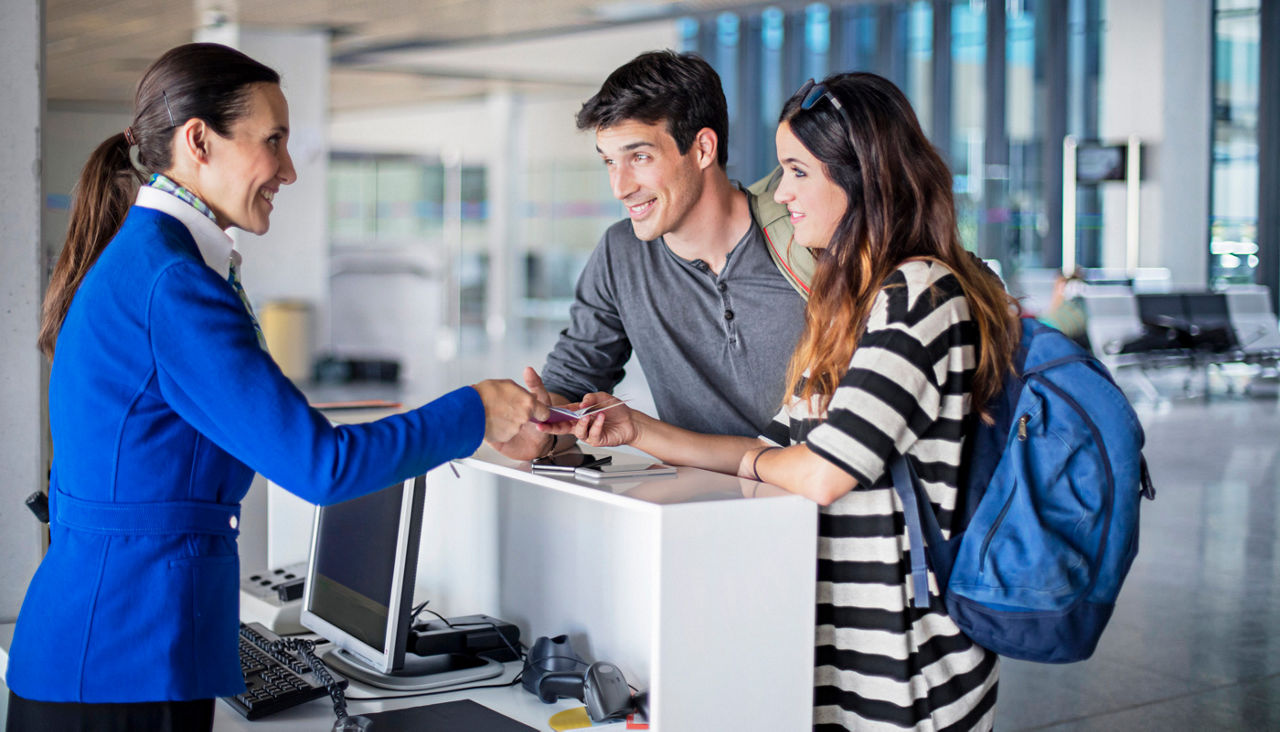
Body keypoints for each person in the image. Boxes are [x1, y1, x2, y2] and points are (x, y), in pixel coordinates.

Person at [6, 43, 545, 732]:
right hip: (122, 657)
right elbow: (319, 465)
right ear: (198, 140)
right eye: (274, 141)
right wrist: (476, 410)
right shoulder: (174, 285)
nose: (289, 170)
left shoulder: (151, 263)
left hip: (110, 644)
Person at [543, 73, 1020, 730]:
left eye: (797, 170)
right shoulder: (845, 306)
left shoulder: (920, 297)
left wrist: (780, 463)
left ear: (861, 175)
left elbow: (822, 471)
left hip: (905, 663)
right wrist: (635, 429)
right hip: (829, 645)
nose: (781, 190)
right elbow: (771, 450)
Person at [490, 50, 812, 461]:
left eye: (639, 157)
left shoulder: (803, 237)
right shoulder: (620, 254)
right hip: (700, 512)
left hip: (826, 507)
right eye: (610, 161)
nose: (619, 187)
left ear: (701, 149)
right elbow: (573, 383)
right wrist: (543, 428)